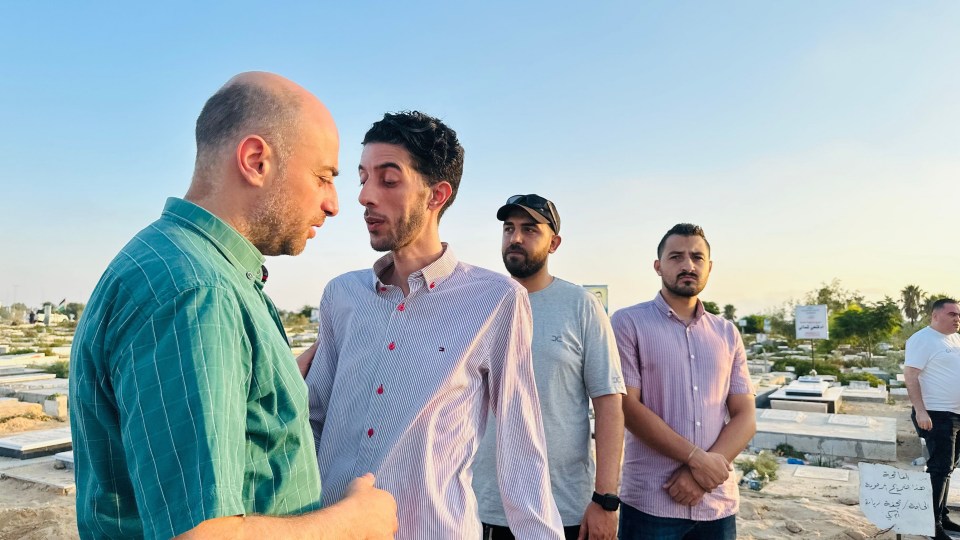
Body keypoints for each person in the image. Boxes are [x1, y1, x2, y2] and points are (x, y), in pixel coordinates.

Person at [69, 72, 397, 540]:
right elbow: (202, 534)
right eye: (323, 177)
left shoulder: (176, 262)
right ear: (256, 161)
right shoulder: (199, 292)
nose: (333, 204)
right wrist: (353, 523)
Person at [302, 112, 564, 539]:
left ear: (436, 195)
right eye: (363, 178)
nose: (365, 196)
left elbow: (520, 443)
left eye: (389, 180)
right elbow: (312, 419)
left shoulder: (497, 299)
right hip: (330, 527)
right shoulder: (341, 295)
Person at [472, 194, 626, 540]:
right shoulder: (481, 306)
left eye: (530, 229)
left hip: (561, 506)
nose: (515, 238)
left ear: (554, 243)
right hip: (485, 504)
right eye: (509, 228)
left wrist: (606, 500)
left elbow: (609, 405)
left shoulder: (581, 306)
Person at [611, 223, 755, 540]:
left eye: (697, 257)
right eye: (676, 257)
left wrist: (702, 474)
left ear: (709, 267)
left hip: (717, 503)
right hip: (652, 503)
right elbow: (627, 407)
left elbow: (745, 415)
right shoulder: (628, 322)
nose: (688, 265)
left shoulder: (727, 333)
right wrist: (695, 459)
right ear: (658, 266)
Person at [905, 298, 960, 540]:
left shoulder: (955, 339)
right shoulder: (922, 339)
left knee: (948, 468)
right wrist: (920, 411)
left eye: (959, 314)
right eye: (952, 314)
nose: (957, 318)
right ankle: (930, 525)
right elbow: (910, 375)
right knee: (939, 468)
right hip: (936, 414)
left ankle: (941, 516)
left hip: (956, 414)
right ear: (936, 315)